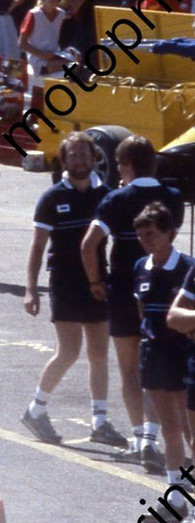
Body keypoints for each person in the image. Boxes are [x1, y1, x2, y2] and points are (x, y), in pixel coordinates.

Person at [82, 136, 186, 473]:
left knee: (130, 369)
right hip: (167, 292)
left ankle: (142, 439)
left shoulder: (115, 200)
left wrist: (96, 280)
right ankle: (158, 437)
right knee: (166, 368)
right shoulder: (172, 198)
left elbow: (89, 245)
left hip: (126, 289)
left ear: (125, 165)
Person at [21, 133, 126, 446]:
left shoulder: (106, 195)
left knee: (99, 352)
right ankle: (35, 409)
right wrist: (30, 289)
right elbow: (37, 246)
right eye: (74, 155)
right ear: (64, 161)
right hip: (65, 281)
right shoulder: (52, 198)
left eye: (85, 155)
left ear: (94, 159)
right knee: (68, 351)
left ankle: (100, 421)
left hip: (98, 281)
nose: (80, 160)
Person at [129, 202, 194, 500]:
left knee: (188, 428)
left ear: (169, 233)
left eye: (151, 233)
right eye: (141, 235)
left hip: (181, 355)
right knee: (167, 425)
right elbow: (142, 312)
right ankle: (175, 496)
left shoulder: (187, 268)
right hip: (153, 355)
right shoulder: (140, 268)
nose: (145, 240)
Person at [19, 0, 75, 89]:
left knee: (77, 64)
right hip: (38, 60)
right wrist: (42, 54)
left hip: (53, 56)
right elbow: (22, 43)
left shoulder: (61, 14)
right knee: (73, 69)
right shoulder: (34, 14)